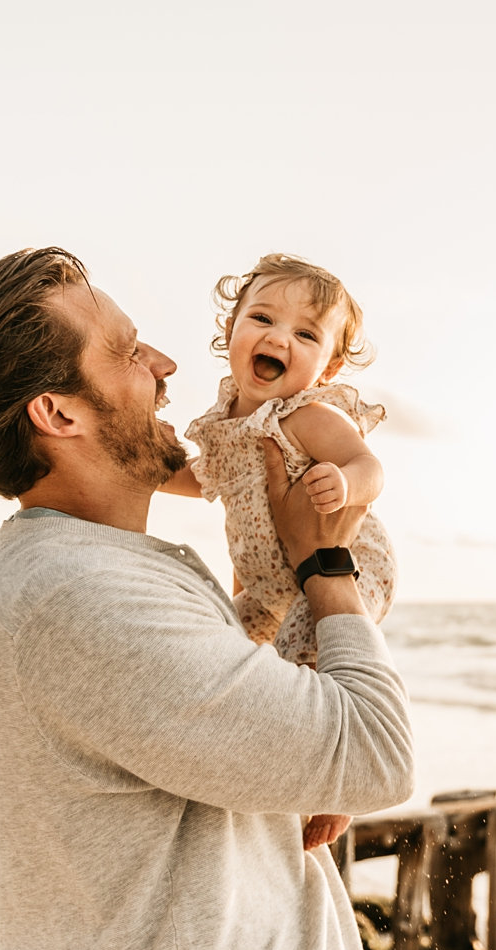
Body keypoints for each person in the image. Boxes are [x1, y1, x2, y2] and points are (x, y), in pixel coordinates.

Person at [0, 247, 414, 950]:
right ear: (58, 412)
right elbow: (378, 757)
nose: (165, 364)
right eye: (130, 352)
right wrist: (323, 560)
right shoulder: (80, 599)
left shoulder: (101, 572)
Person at [159, 253, 397, 851]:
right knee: (224, 654)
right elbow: (200, 478)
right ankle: (235, 771)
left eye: (305, 334)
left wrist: (343, 484)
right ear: (232, 331)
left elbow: (368, 466)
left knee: (304, 669)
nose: (278, 338)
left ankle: (339, 786)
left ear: (327, 365)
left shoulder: (306, 416)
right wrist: (143, 472)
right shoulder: (223, 425)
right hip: (267, 586)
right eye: (262, 318)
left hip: (345, 560)